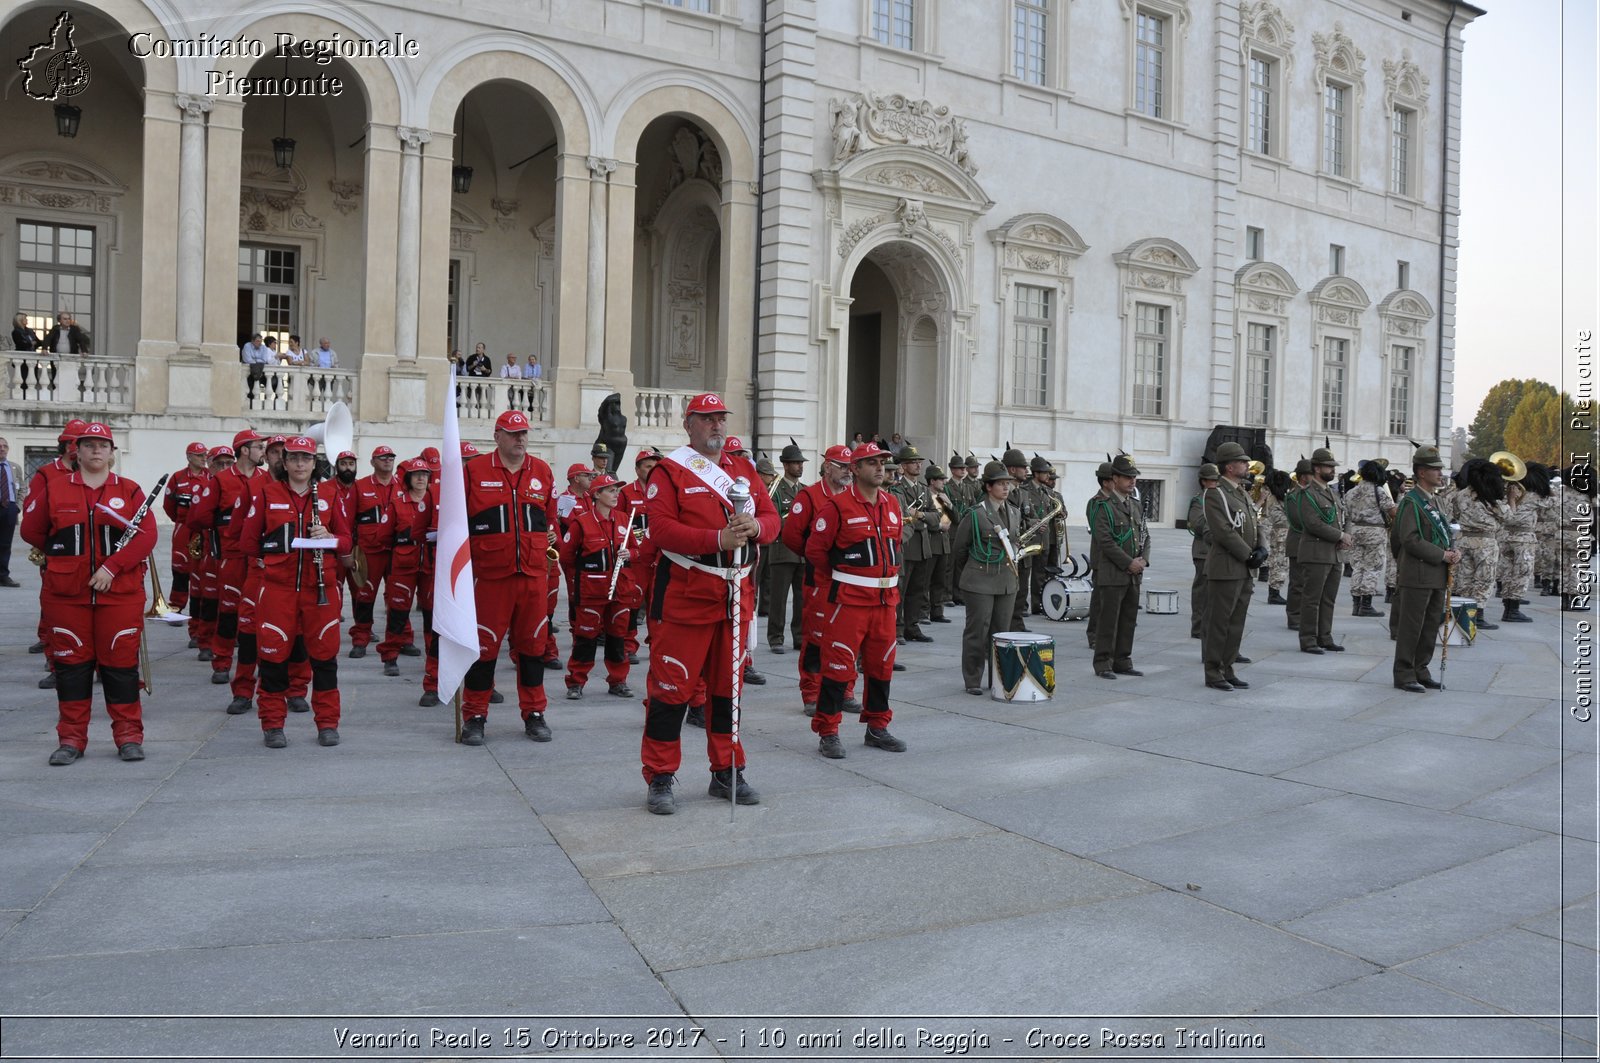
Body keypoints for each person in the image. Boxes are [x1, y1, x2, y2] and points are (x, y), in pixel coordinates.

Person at [639, 392, 779, 814]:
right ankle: (660, 776)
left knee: (727, 691)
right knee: (671, 690)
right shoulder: (669, 472)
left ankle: (727, 770)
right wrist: (716, 539)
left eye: (721, 418)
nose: (717, 425)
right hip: (684, 595)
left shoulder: (742, 470)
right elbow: (661, 530)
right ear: (689, 425)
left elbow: (774, 521)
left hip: (734, 596)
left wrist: (755, 526)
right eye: (707, 419)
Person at [22, 422, 157, 764]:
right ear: (76, 452)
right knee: (71, 668)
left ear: (112, 453)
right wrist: (68, 556)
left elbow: (146, 536)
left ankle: (128, 736)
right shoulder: (54, 488)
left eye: (103, 445)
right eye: (89, 444)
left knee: (121, 667)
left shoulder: (129, 490)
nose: (97, 450)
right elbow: (31, 530)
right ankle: (71, 739)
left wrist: (111, 567)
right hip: (67, 594)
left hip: (120, 593)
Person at [236, 436, 354, 746]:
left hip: (321, 590)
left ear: (314, 463)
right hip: (278, 589)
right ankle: (273, 724)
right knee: (273, 657)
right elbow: (248, 542)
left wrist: (328, 536)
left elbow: (346, 541)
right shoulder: (266, 493)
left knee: (325, 659)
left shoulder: (329, 494)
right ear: (284, 462)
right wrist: (274, 547)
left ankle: (328, 723)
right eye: (294, 458)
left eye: (306, 458)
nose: (300, 463)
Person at [459, 410, 559, 745]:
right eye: (513, 433)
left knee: (533, 648)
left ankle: (534, 713)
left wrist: (551, 535)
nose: (520, 439)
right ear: (497, 436)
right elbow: (456, 522)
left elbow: (548, 517)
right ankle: (474, 715)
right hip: (490, 577)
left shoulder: (542, 471)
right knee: (484, 649)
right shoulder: (474, 471)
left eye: (524, 434)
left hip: (532, 576)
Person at [804, 440, 908, 758]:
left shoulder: (891, 504)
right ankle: (828, 731)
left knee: (881, 667)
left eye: (883, 463)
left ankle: (877, 727)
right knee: (837, 668)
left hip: (885, 602)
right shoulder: (836, 507)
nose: (880, 468)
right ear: (855, 469)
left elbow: (895, 546)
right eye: (873, 463)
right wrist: (841, 582)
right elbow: (815, 551)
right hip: (848, 602)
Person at [185, 428, 268, 706]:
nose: (262, 452)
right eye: (258, 447)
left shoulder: (266, 479)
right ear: (245, 450)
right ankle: (221, 662)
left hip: (257, 557)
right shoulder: (220, 480)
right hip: (230, 556)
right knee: (229, 610)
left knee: (258, 611)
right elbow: (199, 516)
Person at [560, 473, 642, 699]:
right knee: (585, 637)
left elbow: (638, 550)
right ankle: (576, 682)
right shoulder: (582, 522)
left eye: (617, 490)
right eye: (611, 490)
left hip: (621, 589)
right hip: (591, 591)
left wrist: (631, 553)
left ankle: (618, 681)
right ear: (596, 494)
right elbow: (566, 557)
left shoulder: (625, 519)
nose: (617, 494)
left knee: (618, 638)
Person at [788, 444, 856, 716]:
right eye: (842, 466)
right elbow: (792, 535)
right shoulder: (810, 496)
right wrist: (817, 557)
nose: (847, 472)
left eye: (850, 467)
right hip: (819, 578)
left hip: (849, 579)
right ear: (828, 466)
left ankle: (846, 690)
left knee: (849, 637)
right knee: (816, 637)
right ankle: (812, 692)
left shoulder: (854, 496)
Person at [1390, 445, 1460, 692]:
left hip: (1436, 574)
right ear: (1421, 472)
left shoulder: (1436, 501)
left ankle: (1421, 669)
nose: (1441, 473)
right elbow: (1407, 539)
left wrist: (1453, 551)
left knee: (1430, 625)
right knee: (1411, 626)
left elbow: (1443, 532)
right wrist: (1441, 555)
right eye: (1435, 469)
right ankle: (1404, 673)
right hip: (1417, 573)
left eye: (1440, 468)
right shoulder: (1411, 502)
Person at [952, 462, 1021, 695]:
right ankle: (972, 679)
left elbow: (1015, 542)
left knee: (1001, 632)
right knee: (977, 631)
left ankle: (997, 678)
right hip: (980, 581)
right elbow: (960, 550)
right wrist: (972, 577)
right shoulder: (976, 514)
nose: (1006, 487)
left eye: (1008, 484)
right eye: (1001, 483)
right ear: (989, 487)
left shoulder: (1014, 512)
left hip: (1006, 582)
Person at [1202, 442, 1263, 691]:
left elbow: (1254, 524)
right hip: (1226, 567)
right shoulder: (1216, 494)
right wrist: (1248, 554)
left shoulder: (1242, 493)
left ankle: (1228, 668)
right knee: (1220, 623)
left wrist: (1261, 548)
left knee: (1236, 623)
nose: (1247, 465)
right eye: (1242, 461)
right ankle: (1213, 671)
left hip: (1244, 568)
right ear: (1229, 466)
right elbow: (1223, 532)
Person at [1088, 454, 1151, 678]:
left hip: (1134, 573)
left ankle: (1123, 660)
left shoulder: (1134, 505)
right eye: (1126, 477)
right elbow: (1105, 540)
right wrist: (1129, 562)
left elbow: (1145, 535)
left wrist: (1144, 559)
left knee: (1128, 619)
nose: (1132, 481)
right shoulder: (1103, 505)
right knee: (1108, 620)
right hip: (1113, 572)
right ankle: (1103, 662)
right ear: (1114, 478)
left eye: (1133, 477)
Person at [349, 445, 410, 658]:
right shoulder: (360, 486)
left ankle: (403, 638)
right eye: (382, 458)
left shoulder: (403, 485)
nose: (387, 461)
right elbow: (349, 520)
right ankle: (360, 639)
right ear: (373, 462)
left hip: (396, 551)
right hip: (369, 552)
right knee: (365, 596)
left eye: (390, 457)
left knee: (399, 596)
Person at [378, 457, 433, 675]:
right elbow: (383, 535)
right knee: (398, 613)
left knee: (431, 615)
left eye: (425, 474)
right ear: (408, 478)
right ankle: (390, 656)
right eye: (416, 474)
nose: (420, 478)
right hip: (403, 565)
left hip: (430, 565)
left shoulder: (437, 501)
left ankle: (434, 659)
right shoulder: (397, 503)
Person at [1294, 448, 1351, 654]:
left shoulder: (1331, 493)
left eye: (1333, 467)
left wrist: (1346, 535)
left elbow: (1343, 517)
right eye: (1329, 467)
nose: (1332, 470)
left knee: (1328, 598)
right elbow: (1313, 524)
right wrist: (1340, 536)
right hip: (1316, 553)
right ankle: (1308, 639)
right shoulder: (1307, 494)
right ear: (1317, 468)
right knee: (1312, 599)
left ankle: (1324, 636)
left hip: (1334, 553)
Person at [1446, 458, 1505, 632]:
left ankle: (1461, 612)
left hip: (1464, 540)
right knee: (1484, 579)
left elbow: (1455, 513)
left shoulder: (1461, 494)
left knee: (1464, 578)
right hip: (1485, 542)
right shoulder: (1490, 496)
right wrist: (1512, 499)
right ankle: (1477, 615)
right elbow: (1507, 515)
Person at [890, 446, 938, 642]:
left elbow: (936, 518)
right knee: (901, 590)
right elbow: (901, 518)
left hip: (923, 545)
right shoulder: (897, 490)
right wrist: (922, 519)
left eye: (919, 461)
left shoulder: (924, 491)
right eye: (913, 462)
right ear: (902, 466)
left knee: (918, 590)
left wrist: (919, 515)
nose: (918, 465)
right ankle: (898, 628)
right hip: (907, 545)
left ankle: (912, 625)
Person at [765, 440, 807, 653]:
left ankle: (799, 637)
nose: (800, 466)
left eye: (801, 462)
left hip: (802, 553)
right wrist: (797, 522)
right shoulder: (775, 489)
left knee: (802, 599)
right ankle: (775, 638)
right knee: (778, 599)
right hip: (782, 551)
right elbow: (773, 519)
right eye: (795, 463)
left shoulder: (806, 490)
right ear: (785, 465)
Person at [160, 442, 210, 614]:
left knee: (203, 568)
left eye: (205, 454)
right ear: (189, 457)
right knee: (180, 567)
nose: (204, 458)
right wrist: (181, 521)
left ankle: (203, 607)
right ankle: (176, 606)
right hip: (183, 529)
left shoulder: (211, 476)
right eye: (199, 455)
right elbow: (168, 505)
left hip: (203, 530)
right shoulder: (178, 477)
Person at [1343, 460, 1395, 618]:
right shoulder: (1378, 490)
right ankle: (1366, 604)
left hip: (1356, 529)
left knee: (1358, 567)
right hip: (1374, 531)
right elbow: (1392, 512)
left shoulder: (1351, 492)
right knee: (1372, 567)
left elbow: (1346, 511)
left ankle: (1356, 603)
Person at [1002, 447, 1037, 631]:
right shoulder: (1002, 491)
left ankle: (1017, 624)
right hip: (1008, 548)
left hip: (1024, 549)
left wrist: (1035, 523)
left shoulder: (1024, 493)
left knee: (1022, 589)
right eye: (1023, 467)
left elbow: (1028, 514)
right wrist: (1027, 525)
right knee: (1008, 591)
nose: (1027, 471)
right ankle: (1005, 626)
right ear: (1012, 470)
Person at [1496, 474, 1536, 623]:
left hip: (1506, 537)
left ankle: (1507, 608)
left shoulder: (1502, 495)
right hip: (1523, 539)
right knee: (1521, 574)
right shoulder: (1533, 497)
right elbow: (1553, 502)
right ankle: (1513, 610)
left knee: (1507, 573)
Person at [1187, 464, 1219, 639]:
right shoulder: (1199, 500)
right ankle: (1198, 627)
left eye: (1217, 480)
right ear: (1203, 481)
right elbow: (1197, 523)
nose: (1215, 484)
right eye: (1212, 480)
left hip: (1217, 551)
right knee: (1202, 591)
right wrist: (1220, 528)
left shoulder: (1218, 498)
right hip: (1203, 551)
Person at [1283, 458, 1313, 630]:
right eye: (1311, 474)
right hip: (1298, 543)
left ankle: (1303, 615)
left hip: (1309, 544)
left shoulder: (1309, 494)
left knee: (1307, 583)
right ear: (1303, 477)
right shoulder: (1294, 496)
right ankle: (1294, 617)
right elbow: (1299, 520)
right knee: (1297, 583)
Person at [924, 464, 952, 624]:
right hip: (932, 540)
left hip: (943, 543)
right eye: (940, 479)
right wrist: (938, 526)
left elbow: (955, 518)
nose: (943, 482)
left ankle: (937, 611)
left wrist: (950, 504)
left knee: (940, 580)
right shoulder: (925, 495)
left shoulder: (943, 497)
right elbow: (922, 517)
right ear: (932, 481)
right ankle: (923, 612)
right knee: (925, 580)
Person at [0, 436, 21, 587]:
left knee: (5, 544)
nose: (2, 449)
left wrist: (18, 506)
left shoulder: (15, 467)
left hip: (9, 508)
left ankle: (3, 576)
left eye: (5, 446)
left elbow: (22, 487)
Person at [240, 333, 272, 397]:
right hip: (248, 372)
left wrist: (254, 360)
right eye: (257, 341)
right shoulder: (247, 346)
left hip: (259, 371)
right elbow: (247, 360)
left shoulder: (263, 347)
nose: (259, 343)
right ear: (252, 341)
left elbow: (264, 360)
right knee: (249, 389)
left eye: (260, 341)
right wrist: (258, 360)